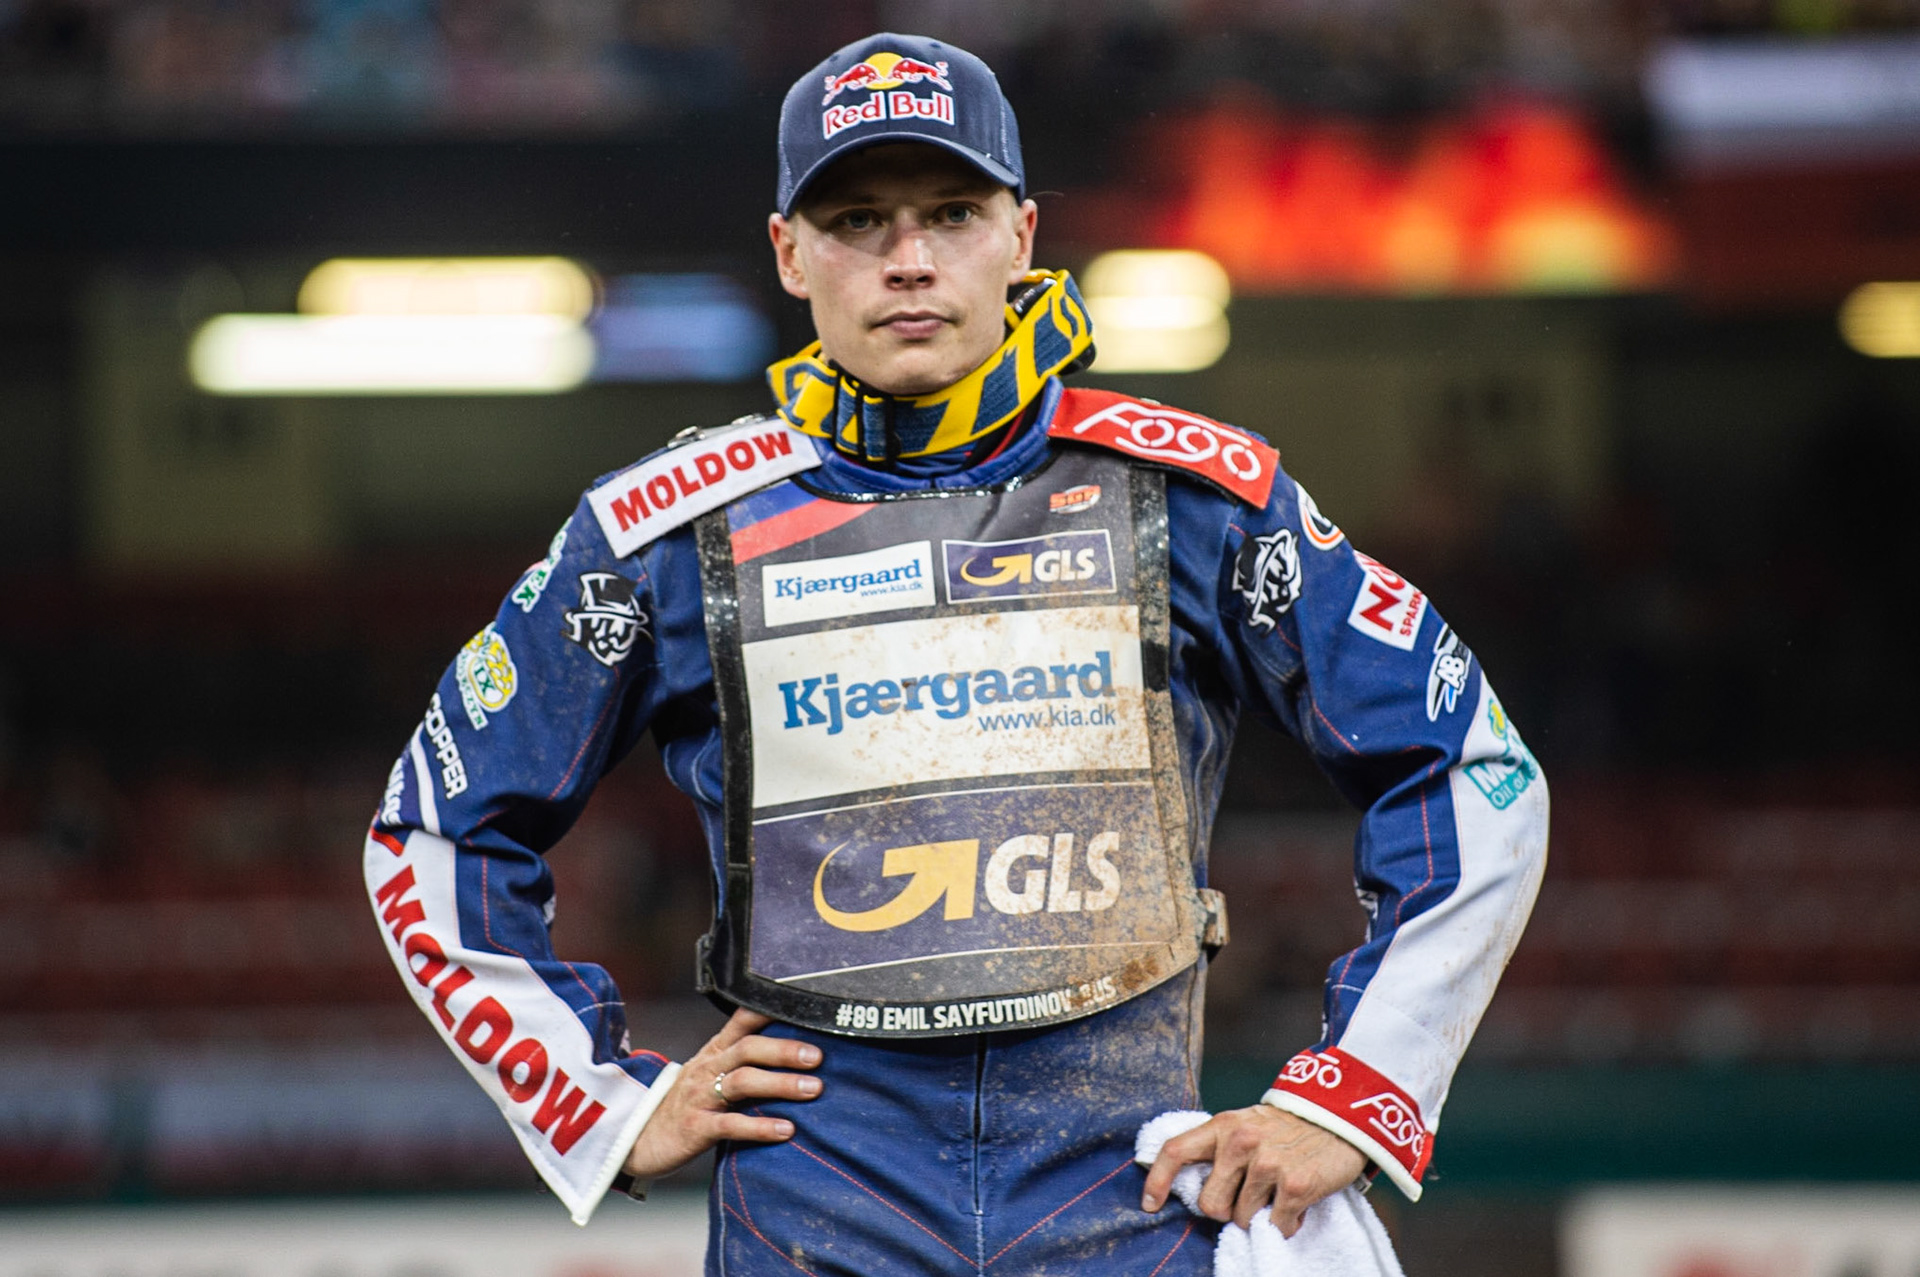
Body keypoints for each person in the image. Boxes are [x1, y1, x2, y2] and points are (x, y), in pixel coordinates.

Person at [363, 32, 1548, 1275]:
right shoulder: (666, 532)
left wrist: (1354, 1093)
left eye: (952, 213)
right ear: (789, 253)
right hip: (816, 1218)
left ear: (1023, 235)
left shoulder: (1193, 496)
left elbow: (1474, 764)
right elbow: (430, 829)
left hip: (1130, 1205)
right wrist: (601, 1098)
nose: (910, 259)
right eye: (856, 220)